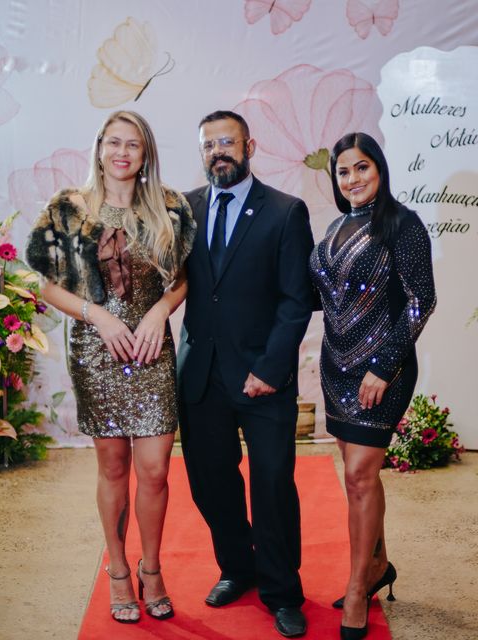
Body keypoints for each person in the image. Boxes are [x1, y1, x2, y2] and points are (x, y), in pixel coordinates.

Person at [26, 110, 196, 624]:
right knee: (114, 466)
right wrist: (97, 315)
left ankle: (152, 568)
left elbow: (182, 281)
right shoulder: (69, 208)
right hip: (97, 350)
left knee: (156, 470)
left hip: (151, 349)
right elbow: (47, 286)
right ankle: (118, 570)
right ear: (100, 148)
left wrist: (160, 311)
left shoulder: (169, 207)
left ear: (146, 155)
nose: (123, 152)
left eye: (133, 145)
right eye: (114, 142)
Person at [177, 110, 314, 638]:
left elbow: (296, 301)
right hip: (202, 376)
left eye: (227, 141)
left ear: (249, 146)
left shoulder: (285, 211)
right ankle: (237, 566)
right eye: (208, 144)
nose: (218, 151)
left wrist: (270, 369)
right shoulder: (184, 209)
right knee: (210, 482)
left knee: (272, 485)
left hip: (263, 378)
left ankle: (282, 591)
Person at [310, 132, 436, 639]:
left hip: (383, 371)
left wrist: (383, 366)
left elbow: (421, 300)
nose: (353, 179)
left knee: (360, 475)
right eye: (343, 171)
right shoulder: (336, 225)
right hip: (336, 367)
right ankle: (378, 564)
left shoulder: (403, 223)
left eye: (362, 167)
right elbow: (325, 296)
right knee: (357, 478)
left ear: (379, 169)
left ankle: (358, 587)